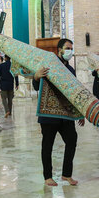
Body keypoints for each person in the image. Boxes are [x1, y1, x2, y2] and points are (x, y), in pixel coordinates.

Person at [32, 38, 84, 187]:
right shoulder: (48, 66)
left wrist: (79, 112)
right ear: (59, 50)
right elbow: (36, 85)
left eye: (71, 49)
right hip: (49, 116)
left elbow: (74, 92)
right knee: (48, 145)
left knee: (72, 140)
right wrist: (36, 75)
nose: (70, 51)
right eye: (67, 48)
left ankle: (66, 174)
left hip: (66, 115)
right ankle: (47, 176)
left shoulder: (71, 70)